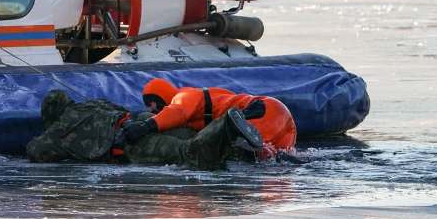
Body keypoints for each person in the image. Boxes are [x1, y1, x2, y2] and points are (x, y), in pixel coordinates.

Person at [26, 90, 264, 170]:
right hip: (142, 121)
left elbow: (36, 150)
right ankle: (243, 148)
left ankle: (227, 125)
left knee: (187, 153)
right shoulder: (93, 103)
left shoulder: (59, 128)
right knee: (193, 137)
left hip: (130, 143)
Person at [121, 78, 297, 159]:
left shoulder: (185, 96)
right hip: (283, 124)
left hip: (261, 110)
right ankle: (272, 153)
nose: (152, 109)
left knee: (254, 148)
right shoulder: (208, 99)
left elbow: (176, 112)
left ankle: (260, 149)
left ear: (161, 97)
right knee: (275, 156)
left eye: (152, 104)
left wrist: (145, 126)